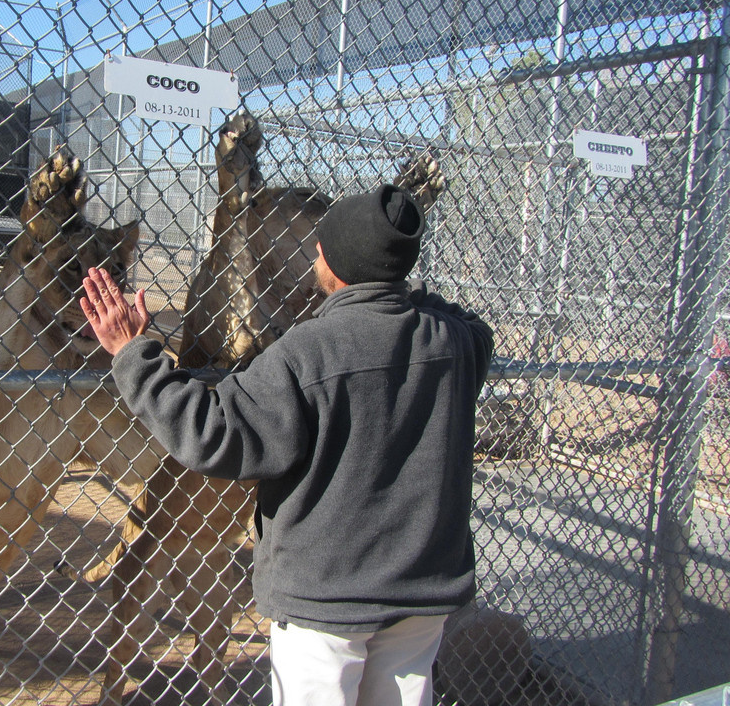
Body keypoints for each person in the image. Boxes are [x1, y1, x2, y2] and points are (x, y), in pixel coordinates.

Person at [80, 184, 494, 706]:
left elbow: (214, 434)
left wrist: (132, 354)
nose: (314, 252)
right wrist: (395, 283)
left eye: (323, 245)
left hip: (325, 601)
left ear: (338, 264)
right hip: (422, 592)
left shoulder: (307, 353)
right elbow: (475, 326)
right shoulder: (454, 342)